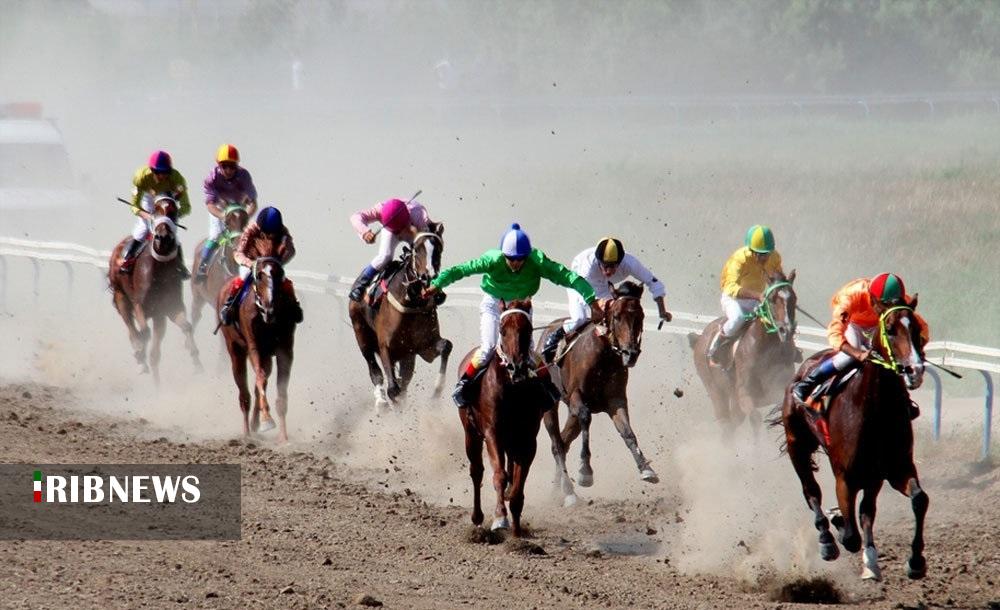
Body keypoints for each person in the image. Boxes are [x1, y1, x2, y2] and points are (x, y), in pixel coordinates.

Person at [422, 223, 600, 409]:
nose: (515, 263)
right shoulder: (492, 259)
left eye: (520, 259)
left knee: (529, 355)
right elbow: (460, 270)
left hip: (521, 308)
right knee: (488, 348)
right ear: (503, 255)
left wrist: (592, 301)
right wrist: (437, 284)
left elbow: (568, 277)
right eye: (511, 259)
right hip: (494, 306)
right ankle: (463, 384)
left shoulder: (537, 261)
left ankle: (549, 387)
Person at [791, 273, 928, 413]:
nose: (888, 308)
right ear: (873, 299)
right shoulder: (852, 295)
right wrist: (858, 354)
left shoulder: (901, 301)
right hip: (855, 325)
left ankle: (903, 398)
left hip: (881, 326)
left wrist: (916, 351)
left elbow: (922, 328)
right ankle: (807, 385)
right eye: (884, 305)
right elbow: (835, 332)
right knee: (848, 357)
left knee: (891, 356)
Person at [542, 237, 671, 363]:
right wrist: (599, 305)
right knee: (579, 319)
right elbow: (585, 296)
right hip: (579, 284)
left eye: (613, 266)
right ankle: (555, 337)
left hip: (605, 285)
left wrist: (662, 310)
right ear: (598, 261)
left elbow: (653, 282)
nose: (609, 270)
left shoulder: (630, 263)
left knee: (616, 316)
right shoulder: (587, 266)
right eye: (605, 266)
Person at [707, 224, 785, 365]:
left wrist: (781, 294)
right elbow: (730, 287)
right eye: (760, 254)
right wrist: (757, 296)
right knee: (738, 318)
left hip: (758, 300)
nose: (764, 258)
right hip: (733, 299)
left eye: (767, 253)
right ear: (751, 250)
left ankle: (789, 349)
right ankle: (716, 346)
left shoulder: (774, 257)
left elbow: (777, 279)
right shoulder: (739, 259)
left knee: (780, 318)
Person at [218, 206, 303, 326]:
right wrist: (250, 263)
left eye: (273, 233)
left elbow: (291, 250)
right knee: (243, 277)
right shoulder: (251, 230)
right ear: (260, 227)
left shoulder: (283, 231)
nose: (270, 236)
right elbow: (238, 253)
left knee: (283, 280)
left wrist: (278, 262)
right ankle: (229, 305)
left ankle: (294, 305)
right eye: (267, 233)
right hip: (252, 262)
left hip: (271, 263)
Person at [347, 197, 437, 302]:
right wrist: (365, 232)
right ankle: (360, 286)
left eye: (399, 229)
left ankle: (435, 284)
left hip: (411, 229)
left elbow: (432, 239)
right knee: (385, 256)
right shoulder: (379, 209)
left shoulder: (418, 215)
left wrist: (417, 234)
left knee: (423, 255)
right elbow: (356, 217)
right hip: (390, 229)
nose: (399, 233)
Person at [119, 150, 191, 277]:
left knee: (171, 231)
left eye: (165, 173)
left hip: (167, 198)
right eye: (158, 172)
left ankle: (180, 265)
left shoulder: (177, 178)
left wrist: (173, 216)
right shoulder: (141, 177)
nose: (162, 176)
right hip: (148, 198)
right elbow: (134, 206)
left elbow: (186, 206)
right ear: (152, 170)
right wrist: (148, 216)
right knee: (143, 229)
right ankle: (127, 260)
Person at [195, 144, 258, 283]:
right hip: (219, 209)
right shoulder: (211, 178)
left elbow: (253, 202)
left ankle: (257, 266)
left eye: (232, 166)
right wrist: (223, 216)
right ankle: (203, 266)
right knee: (216, 235)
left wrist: (245, 215)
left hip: (239, 208)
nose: (229, 170)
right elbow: (210, 204)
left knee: (249, 236)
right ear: (219, 165)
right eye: (225, 166)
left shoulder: (244, 175)